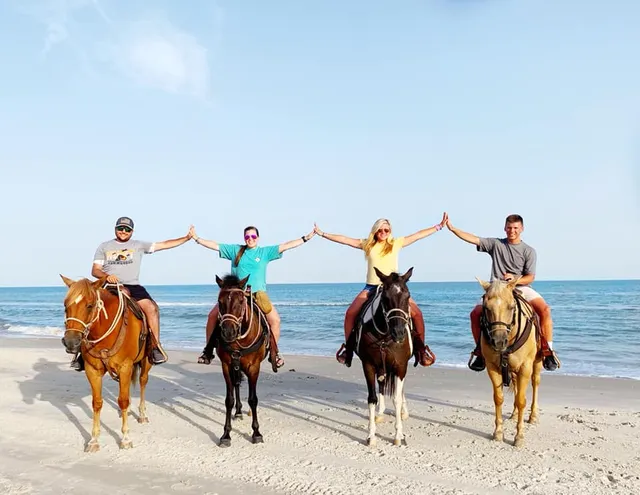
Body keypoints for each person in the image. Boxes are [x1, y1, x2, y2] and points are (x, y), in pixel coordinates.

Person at [313, 214, 446, 367]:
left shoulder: (396, 243)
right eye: (380, 230)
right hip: (372, 287)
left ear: (390, 231)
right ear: (375, 231)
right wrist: (323, 234)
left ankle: (421, 350)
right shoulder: (367, 244)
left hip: (393, 288)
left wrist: (438, 226)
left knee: (417, 314)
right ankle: (348, 349)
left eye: (386, 230)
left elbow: (417, 235)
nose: (383, 233)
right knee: (350, 313)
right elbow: (344, 239)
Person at [71, 216, 193, 371]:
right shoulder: (104, 246)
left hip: (133, 286)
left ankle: (155, 346)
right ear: (115, 229)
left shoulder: (138, 245)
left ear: (132, 231)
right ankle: (81, 354)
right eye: (120, 228)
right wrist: (106, 276)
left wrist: (187, 238)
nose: (123, 231)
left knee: (151, 308)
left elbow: (164, 244)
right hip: (109, 286)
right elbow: (94, 270)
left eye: (127, 229)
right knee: (89, 309)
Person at [445, 213, 560, 372]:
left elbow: (530, 277)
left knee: (545, 310)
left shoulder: (529, 251)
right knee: (475, 314)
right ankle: (479, 351)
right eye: (509, 228)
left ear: (521, 229)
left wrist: (514, 280)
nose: (512, 231)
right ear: (505, 228)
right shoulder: (496, 244)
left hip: (520, 287)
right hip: (496, 288)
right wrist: (452, 228)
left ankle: (548, 351)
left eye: (515, 228)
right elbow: (474, 239)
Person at [191, 224, 316, 368]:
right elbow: (215, 245)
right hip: (237, 294)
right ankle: (208, 350)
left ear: (258, 238)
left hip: (258, 293)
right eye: (247, 237)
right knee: (212, 316)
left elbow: (286, 245)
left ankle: (274, 353)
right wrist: (196, 238)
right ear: (244, 238)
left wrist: (306, 238)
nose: (250, 239)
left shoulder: (264, 252)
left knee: (275, 320)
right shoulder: (236, 250)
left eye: (253, 236)